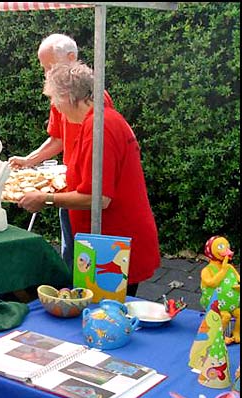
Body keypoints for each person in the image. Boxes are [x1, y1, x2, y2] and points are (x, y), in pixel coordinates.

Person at [18, 61, 160, 297]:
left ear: (68, 97)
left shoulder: (100, 127)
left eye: (55, 99)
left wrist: (46, 198)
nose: (55, 106)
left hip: (113, 245)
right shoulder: (98, 121)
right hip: (109, 242)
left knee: (106, 318)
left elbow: (99, 198)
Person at [9, 34, 114, 272]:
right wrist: (29, 160)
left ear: (71, 58)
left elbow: (101, 195)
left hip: (87, 189)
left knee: (88, 253)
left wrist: (46, 198)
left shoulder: (97, 105)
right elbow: (58, 138)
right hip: (70, 184)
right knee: (71, 248)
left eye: (50, 67)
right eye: (44, 70)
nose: (47, 75)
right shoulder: (61, 96)